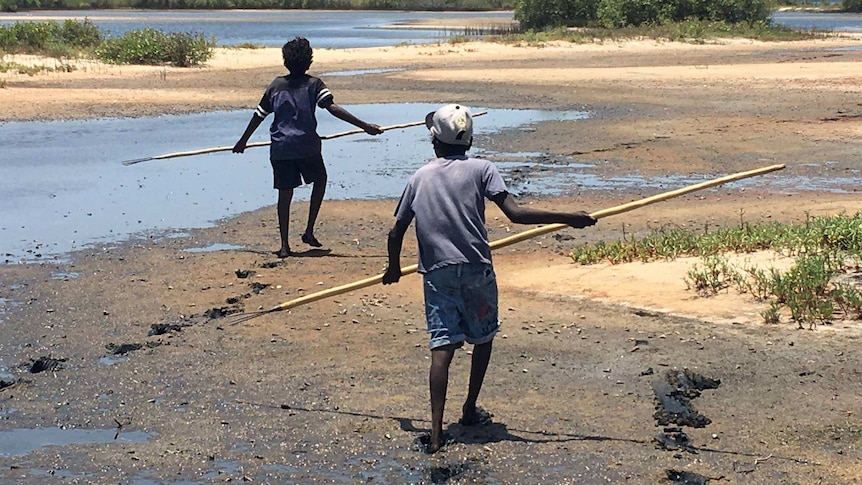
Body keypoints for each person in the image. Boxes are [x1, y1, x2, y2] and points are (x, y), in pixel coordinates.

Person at [382, 104, 597, 453]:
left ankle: (436, 433)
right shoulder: (483, 169)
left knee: (442, 347)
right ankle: (468, 409)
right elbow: (515, 213)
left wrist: (393, 268)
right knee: (483, 339)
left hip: (437, 273)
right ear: (469, 141)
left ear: (434, 141)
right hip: (477, 268)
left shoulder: (419, 177)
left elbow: (396, 232)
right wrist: (567, 217)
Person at [233, 36, 383, 258]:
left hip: (281, 147)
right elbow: (331, 107)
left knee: (285, 195)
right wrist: (364, 126)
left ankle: (285, 245)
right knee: (320, 180)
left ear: (285, 61)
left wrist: (243, 140)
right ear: (309, 62)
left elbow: (259, 115)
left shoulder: (276, 85)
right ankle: (309, 230)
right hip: (307, 147)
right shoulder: (314, 84)